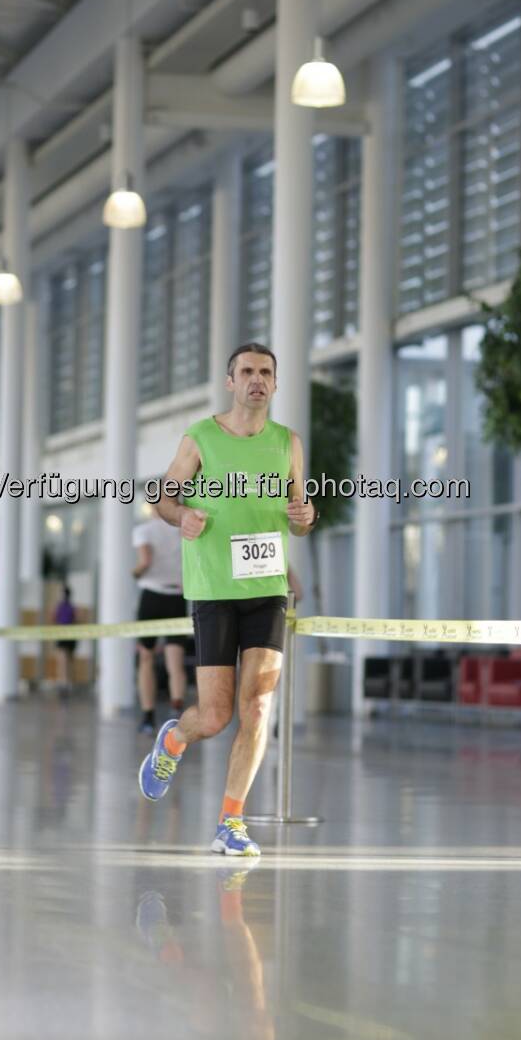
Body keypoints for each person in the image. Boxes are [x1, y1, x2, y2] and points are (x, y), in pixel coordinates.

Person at [137, 343, 316, 857]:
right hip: (215, 590)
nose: (257, 379)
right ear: (230, 381)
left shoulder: (288, 443)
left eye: (266, 372)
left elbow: (297, 515)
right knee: (214, 717)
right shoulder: (202, 438)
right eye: (247, 371)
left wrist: (305, 520)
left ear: (276, 384)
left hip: (267, 590)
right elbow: (161, 499)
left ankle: (230, 823)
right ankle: (174, 739)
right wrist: (181, 517)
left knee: (258, 706)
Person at [132, 505, 192, 734]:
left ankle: (148, 717)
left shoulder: (144, 530)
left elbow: (144, 562)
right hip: (176, 596)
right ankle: (176, 712)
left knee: (146, 657)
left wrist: (134, 573)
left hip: (152, 596)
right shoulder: (181, 529)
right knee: (175, 662)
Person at [51, 584, 76, 697]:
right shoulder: (71, 607)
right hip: (70, 636)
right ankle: (68, 681)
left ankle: (63, 681)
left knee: (62, 660)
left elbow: (54, 619)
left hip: (62, 635)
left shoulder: (60, 607)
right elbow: (75, 620)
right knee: (68, 660)